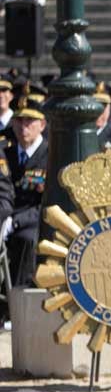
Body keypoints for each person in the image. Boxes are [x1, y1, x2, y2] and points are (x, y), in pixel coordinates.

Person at [3, 94, 46, 288]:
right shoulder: (5, 152)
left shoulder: (50, 153)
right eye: (19, 120)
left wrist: (16, 222)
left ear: (42, 125)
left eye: (30, 121)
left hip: (33, 220)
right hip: (5, 215)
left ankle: (17, 299)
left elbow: (45, 203)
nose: (24, 127)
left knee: (27, 240)